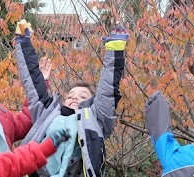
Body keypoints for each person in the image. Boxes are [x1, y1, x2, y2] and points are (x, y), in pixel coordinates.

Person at [12, 19, 128, 176]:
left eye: (82, 96)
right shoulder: (47, 113)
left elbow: (107, 90)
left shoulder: (95, 119)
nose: (75, 98)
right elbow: (32, 82)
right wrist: (23, 43)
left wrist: (114, 50)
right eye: (71, 95)